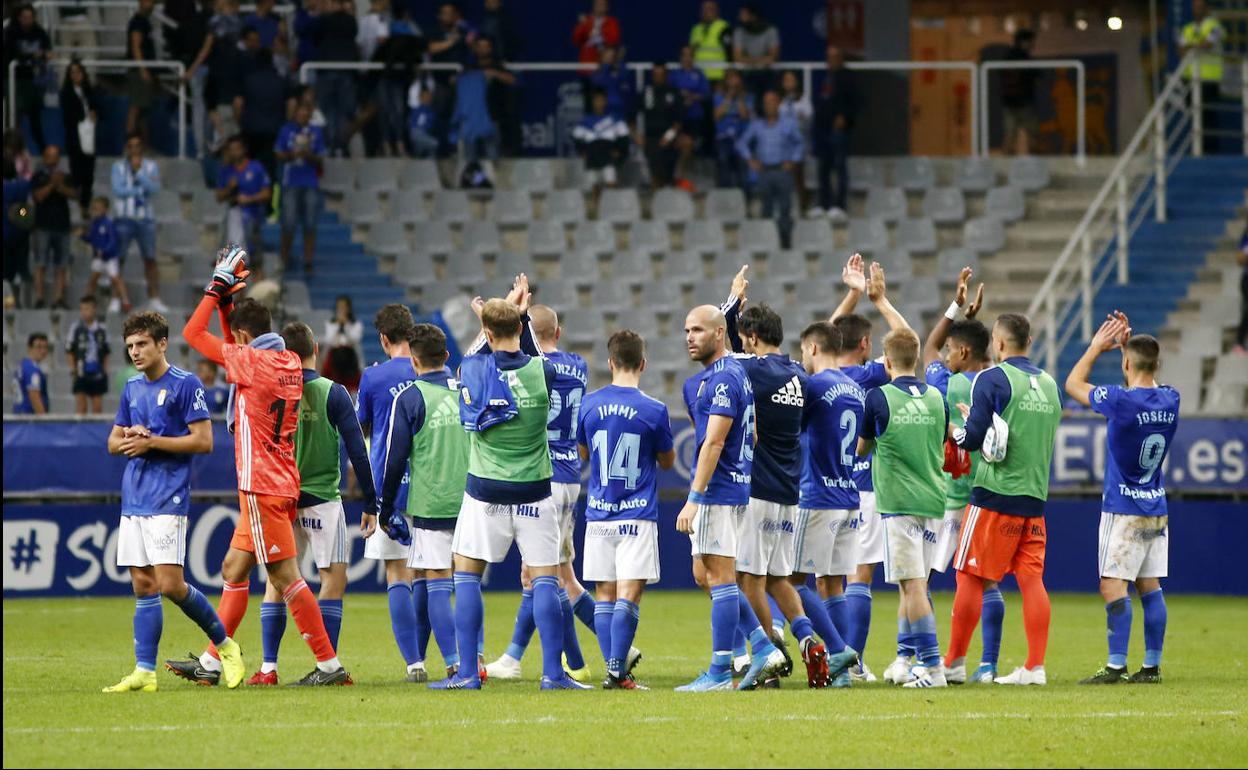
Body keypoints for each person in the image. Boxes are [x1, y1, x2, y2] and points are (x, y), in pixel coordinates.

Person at [173, 247, 348, 686]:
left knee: (285, 576)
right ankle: (214, 663)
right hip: (279, 479)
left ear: (245, 340)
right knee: (234, 569)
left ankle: (329, 667)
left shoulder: (251, 361)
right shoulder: (285, 359)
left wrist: (215, 287)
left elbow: (192, 334)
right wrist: (230, 303)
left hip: (261, 484)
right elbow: (237, 345)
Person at [432, 278, 588, 691]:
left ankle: (467, 673)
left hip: (486, 489)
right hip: (537, 489)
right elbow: (531, 351)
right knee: (545, 580)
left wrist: (493, 319)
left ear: (485, 332)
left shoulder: (473, 369)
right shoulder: (545, 371)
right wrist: (521, 315)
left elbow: (477, 352)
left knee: (466, 574)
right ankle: (553, 674)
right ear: (521, 329)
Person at [719, 266, 856, 689]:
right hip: (790, 491)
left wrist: (730, 302)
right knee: (778, 578)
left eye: (745, 337)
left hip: (757, 488)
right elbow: (822, 343)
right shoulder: (799, 374)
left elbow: (724, 353)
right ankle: (808, 640)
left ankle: (769, 662)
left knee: (747, 579)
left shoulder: (752, 370)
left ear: (753, 338)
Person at [102, 310, 246, 693]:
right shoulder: (132, 388)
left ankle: (226, 647)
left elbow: (204, 441)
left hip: (169, 495)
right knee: (143, 585)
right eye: (130, 346)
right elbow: (113, 443)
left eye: (142, 344)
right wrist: (131, 437)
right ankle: (145, 672)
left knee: (171, 584)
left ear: (161, 344)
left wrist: (153, 442)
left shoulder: (186, 384)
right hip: (134, 497)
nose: (135, 352)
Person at [248, 321, 377, 685]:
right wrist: (371, 500)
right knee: (332, 579)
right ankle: (327, 665)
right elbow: (356, 447)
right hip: (322, 499)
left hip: (281, 499)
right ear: (316, 349)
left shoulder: (270, 391)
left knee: (277, 580)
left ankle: (269, 668)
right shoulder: (333, 392)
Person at [673, 302, 787, 692]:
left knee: (719, 577)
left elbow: (715, 441)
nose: (690, 337)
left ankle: (721, 671)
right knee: (705, 573)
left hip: (718, 491)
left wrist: (694, 496)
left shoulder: (723, 378)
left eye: (699, 330)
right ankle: (761, 645)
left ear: (720, 334)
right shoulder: (731, 374)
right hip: (733, 488)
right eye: (687, 330)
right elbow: (751, 436)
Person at [945, 312, 1061, 687]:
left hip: (995, 497)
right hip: (1035, 498)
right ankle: (1034, 667)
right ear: (1029, 341)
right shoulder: (1049, 385)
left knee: (969, 576)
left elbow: (973, 439)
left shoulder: (991, 379)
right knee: (1032, 580)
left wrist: (955, 430)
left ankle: (952, 662)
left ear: (999, 342)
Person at [1065, 313, 1177, 685]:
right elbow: (1146, 382)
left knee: (1112, 585)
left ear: (1127, 363)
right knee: (1150, 586)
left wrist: (1099, 347)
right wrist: (1129, 353)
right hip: (1156, 507)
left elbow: (1073, 383)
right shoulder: (1171, 399)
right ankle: (1152, 666)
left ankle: (1115, 666)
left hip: (1124, 508)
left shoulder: (1118, 401)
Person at [486, 305, 596, 683]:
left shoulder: (529, 369)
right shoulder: (578, 365)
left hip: (542, 474)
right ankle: (584, 658)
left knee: (539, 575)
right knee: (556, 574)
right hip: (572, 475)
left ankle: (515, 658)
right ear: (559, 332)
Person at [827, 253, 912, 682]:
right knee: (860, 575)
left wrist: (851, 295)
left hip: (822, 489)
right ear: (864, 345)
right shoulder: (872, 376)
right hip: (865, 486)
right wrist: (877, 299)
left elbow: (819, 338)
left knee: (825, 578)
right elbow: (906, 340)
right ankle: (853, 661)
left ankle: (821, 654)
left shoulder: (817, 377)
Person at [575, 329, 675, 689]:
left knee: (605, 593)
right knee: (629, 594)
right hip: (637, 514)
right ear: (643, 364)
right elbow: (668, 461)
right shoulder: (654, 409)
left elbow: (584, 454)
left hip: (599, 513)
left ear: (610, 362)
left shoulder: (587, 404)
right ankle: (617, 672)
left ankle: (614, 670)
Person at [856, 327, 951, 688]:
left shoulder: (878, 398)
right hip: (933, 500)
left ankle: (932, 667)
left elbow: (863, 448)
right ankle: (904, 659)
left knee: (912, 586)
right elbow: (942, 439)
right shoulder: (936, 399)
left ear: (887, 358)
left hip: (900, 502)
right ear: (914, 358)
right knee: (912, 584)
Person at [921, 269, 1003, 684]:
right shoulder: (998, 386)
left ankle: (931, 658)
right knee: (985, 582)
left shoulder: (947, 383)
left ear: (964, 355)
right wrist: (972, 325)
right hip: (986, 494)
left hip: (949, 496)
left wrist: (955, 311)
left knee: (924, 581)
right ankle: (988, 663)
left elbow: (929, 347)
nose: (946, 354)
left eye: (954, 350)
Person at [378, 323, 468, 680]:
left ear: (414, 362)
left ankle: (452, 661)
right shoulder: (466, 390)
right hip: (473, 501)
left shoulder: (410, 398)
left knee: (437, 582)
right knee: (467, 584)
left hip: (431, 503)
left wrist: (386, 508)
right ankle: (472, 656)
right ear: (446, 356)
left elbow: (395, 457)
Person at [356, 303, 427, 681]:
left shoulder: (374, 377)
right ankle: (460, 655)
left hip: (389, 483)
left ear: (383, 339)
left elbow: (361, 428)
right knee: (434, 572)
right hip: (430, 482)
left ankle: (414, 662)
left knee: (397, 573)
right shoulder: (429, 371)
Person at [794, 319, 864, 687]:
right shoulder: (855, 388)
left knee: (789, 580)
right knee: (832, 584)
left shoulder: (813, 386)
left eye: (804, 351)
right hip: (849, 495)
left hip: (817, 495)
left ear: (814, 349)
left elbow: (792, 430)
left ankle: (838, 650)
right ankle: (845, 673)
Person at [736, 90, 803, 250]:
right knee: (766, 208)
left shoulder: (788, 124)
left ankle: (785, 243)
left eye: (772, 101)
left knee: (785, 208)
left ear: (778, 104)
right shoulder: (757, 125)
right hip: (764, 171)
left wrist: (793, 160)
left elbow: (799, 143)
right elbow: (741, 143)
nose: (769, 105)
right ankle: (767, 242)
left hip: (782, 170)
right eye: (766, 102)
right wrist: (750, 159)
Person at [111, 134, 167, 312]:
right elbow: (118, 190)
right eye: (131, 145)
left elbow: (155, 189)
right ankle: (115, 298)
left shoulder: (150, 167)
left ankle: (154, 297)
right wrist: (139, 189)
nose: (134, 149)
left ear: (142, 147)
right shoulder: (118, 167)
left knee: (150, 260)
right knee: (118, 260)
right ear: (127, 148)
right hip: (124, 218)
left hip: (145, 219)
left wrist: (140, 174)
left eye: (137, 145)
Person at [183, 0, 245, 153]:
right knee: (223, 108)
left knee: (211, 106)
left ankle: (216, 141)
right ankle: (225, 141)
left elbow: (206, 48)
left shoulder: (216, 21)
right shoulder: (239, 22)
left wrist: (191, 70)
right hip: (233, 71)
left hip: (219, 71)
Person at [276, 102, 325, 275]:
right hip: (291, 182)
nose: (303, 116)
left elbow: (321, 157)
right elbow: (278, 153)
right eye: (300, 113)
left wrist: (308, 154)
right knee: (288, 223)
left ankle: (308, 261)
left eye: (306, 113)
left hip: (310, 182)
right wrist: (293, 154)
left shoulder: (316, 132)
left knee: (310, 224)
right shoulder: (286, 130)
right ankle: (283, 259)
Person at [811, 46, 858, 222]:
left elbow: (856, 101)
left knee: (840, 167)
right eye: (828, 57)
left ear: (840, 58)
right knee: (823, 167)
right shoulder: (825, 77)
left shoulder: (848, 77)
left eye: (834, 57)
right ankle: (824, 203)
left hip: (839, 130)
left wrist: (845, 117)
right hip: (822, 129)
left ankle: (840, 205)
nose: (831, 60)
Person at [216, 136, 272, 278]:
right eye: (231, 150)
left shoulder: (256, 167)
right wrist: (230, 187)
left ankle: (259, 297)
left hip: (253, 218)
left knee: (256, 262)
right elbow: (219, 197)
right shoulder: (226, 171)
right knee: (237, 265)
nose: (234, 152)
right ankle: (240, 298)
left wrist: (249, 199)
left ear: (244, 150)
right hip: (234, 220)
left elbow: (267, 193)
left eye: (237, 149)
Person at [30, 145, 77, 310]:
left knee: (62, 264)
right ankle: (40, 298)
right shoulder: (38, 176)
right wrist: (52, 184)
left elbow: (74, 194)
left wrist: (60, 186)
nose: (53, 158)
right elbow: (37, 196)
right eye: (50, 155)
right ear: (44, 157)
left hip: (62, 225)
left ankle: (58, 299)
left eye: (56, 155)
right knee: (41, 263)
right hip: (43, 225)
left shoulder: (64, 176)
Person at [311, 0, 359, 156]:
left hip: (328, 69)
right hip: (345, 69)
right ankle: (340, 145)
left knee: (328, 110)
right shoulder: (350, 20)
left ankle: (330, 144)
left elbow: (316, 37)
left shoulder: (325, 20)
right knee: (342, 110)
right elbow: (353, 35)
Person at [1179, 0, 1226, 156]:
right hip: (1190, 80)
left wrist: (1192, 46)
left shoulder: (1215, 26)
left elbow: (1209, 44)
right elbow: (1181, 50)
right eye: (1194, 7)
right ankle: (1196, 150)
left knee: (1208, 118)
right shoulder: (1188, 28)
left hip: (1209, 80)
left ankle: (1209, 152)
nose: (1196, 10)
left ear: (1206, 9)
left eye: (1199, 7)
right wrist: (1198, 45)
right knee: (1193, 117)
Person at [4, 5, 52, 150]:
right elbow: (10, 55)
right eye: (24, 17)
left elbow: (48, 51)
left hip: (32, 79)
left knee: (35, 115)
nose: (28, 20)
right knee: (14, 115)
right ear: (19, 18)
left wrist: (41, 55)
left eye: (30, 17)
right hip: (13, 80)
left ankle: (43, 149)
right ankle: (10, 149)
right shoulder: (10, 32)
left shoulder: (39, 32)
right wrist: (32, 56)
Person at [235, 49, 288, 182]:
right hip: (274, 132)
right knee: (272, 171)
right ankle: (273, 202)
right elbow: (291, 104)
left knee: (250, 168)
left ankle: (252, 196)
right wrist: (285, 123)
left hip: (251, 131)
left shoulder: (248, 80)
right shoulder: (280, 81)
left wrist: (240, 122)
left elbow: (238, 104)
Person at [572, 89, 629, 207]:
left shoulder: (614, 119)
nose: (598, 103)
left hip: (607, 156)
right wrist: (582, 151)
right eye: (596, 100)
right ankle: (596, 209)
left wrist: (619, 150)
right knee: (594, 185)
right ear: (593, 102)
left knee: (611, 182)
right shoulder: (586, 121)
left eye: (601, 100)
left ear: (605, 102)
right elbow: (576, 137)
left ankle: (612, 208)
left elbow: (624, 136)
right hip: (592, 156)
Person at [59, 60, 100, 213]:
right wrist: (83, 116)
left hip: (90, 137)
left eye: (79, 72)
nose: (76, 75)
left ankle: (85, 205)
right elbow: (68, 115)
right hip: (75, 138)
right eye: (73, 72)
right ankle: (75, 199)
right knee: (77, 172)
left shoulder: (89, 92)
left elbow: (98, 107)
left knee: (89, 174)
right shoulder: (66, 94)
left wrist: (95, 114)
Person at [669, 46, 711, 190]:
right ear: (681, 58)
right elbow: (670, 93)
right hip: (678, 119)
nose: (687, 58)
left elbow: (706, 94)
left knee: (691, 146)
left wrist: (693, 96)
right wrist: (681, 97)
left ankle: (684, 178)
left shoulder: (699, 74)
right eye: (684, 55)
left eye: (690, 55)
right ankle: (677, 176)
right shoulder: (674, 75)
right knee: (679, 145)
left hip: (695, 117)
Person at [82, 195, 132, 314]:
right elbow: (92, 238)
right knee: (93, 278)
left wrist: (104, 250)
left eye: (98, 208)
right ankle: (87, 300)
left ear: (105, 209)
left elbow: (112, 241)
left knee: (116, 278)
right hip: (98, 258)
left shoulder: (108, 223)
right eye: (94, 209)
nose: (96, 211)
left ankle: (125, 301)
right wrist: (83, 236)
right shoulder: (94, 224)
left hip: (109, 257)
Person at [637, 62, 682, 189]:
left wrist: (669, 136)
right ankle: (656, 192)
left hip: (669, 138)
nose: (658, 77)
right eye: (656, 74)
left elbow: (679, 120)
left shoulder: (673, 92)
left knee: (667, 163)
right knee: (655, 163)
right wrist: (637, 136)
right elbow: (631, 116)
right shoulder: (646, 92)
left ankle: (669, 184)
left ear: (666, 75)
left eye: (661, 74)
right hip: (650, 138)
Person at [66, 295, 110, 415]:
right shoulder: (76, 328)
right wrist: (73, 369)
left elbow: (106, 351)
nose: (84, 312)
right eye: (82, 309)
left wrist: (105, 370)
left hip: (97, 370)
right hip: (81, 370)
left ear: (94, 309)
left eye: (87, 309)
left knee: (97, 406)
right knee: (81, 405)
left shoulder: (102, 329)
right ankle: (79, 432)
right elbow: (69, 350)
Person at [714, 69, 754, 192]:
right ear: (726, 81)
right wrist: (729, 96)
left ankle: (744, 196)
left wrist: (739, 98)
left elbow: (745, 116)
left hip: (742, 138)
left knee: (743, 160)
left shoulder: (748, 97)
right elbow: (717, 115)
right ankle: (725, 194)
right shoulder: (718, 97)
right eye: (730, 79)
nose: (733, 82)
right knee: (723, 157)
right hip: (723, 137)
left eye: (736, 78)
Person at [1000, 29, 1038, 156]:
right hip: (1022, 103)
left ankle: (1007, 167)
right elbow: (1037, 74)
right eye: (1032, 42)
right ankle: (1033, 164)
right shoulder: (1023, 57)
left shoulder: (1008, 56)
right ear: (1024, 42)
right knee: (1032, 136)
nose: (1033, 44)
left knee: (1010, 136)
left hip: (1011, 103)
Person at [778, 71, 812, 212]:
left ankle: (803, 206)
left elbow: (808, 120)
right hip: (785, 146)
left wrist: (800, 115)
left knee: (799, 175)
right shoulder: (782, 102)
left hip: (799, 144)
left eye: (791, 80)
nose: (788, 83)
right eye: (786, 80)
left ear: (796, 82)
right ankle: (785, 207)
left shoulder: (804, 100)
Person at [126, 0, 159, 142]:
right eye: (149, 1)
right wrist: (143, 69)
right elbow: (135, 45)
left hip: (145, 70)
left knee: (143, 110)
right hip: (138, 71)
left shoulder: (145, 22)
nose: (151, 5)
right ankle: (128, 144)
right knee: (136, 108)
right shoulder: (138, 21)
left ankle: (143, 145)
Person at [732, 4, 779, 102]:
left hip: (767, 75)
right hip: (748, 76)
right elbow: (737, 57)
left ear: (753, 16)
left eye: (743, 15)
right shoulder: (739, 32)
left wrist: (748, 60)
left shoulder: (771, 30)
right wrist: (761, 60)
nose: (740, 18)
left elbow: (773, 57)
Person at [572, 0, 621, 77]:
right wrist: (585, 25)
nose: (600, 7)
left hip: (605, 67)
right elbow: (576, 40)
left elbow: (614, 40)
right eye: (598, 4)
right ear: (593, 5)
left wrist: (599, 37)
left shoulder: (612, 22)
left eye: (602, 4)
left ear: (607, 7)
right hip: (587, 66)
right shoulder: (586, 21)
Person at [689, 0, 731, 84]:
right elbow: (691, 52)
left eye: (709, 9)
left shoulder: (723, 26)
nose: (705, 12)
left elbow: (730, 52)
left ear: (716, 11)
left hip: (718, 75)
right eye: (704, 9)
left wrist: (727, 74)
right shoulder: (696, 29)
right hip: (699, 75)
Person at [588, 45, 633, 121]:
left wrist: (620, 60)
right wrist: (606, 66)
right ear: (602, 56)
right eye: (607, 55)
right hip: (603, 109)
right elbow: (597, 81)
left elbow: (625, 77)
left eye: (611, 56)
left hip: (619, 108)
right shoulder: (598, 72)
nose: (609, 57)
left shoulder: (619, 70)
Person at [14, 333, 50, 415]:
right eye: (38, 347)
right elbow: (34, 396)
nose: (43, 351)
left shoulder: (23, 365)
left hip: (18, 416)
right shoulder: (32, 369)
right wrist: (43, 420)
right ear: (29, 348)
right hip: (30, 420)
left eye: (45, 347)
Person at [408, 87, 439, 158]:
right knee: (434, 143)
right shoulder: (416, 110)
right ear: (420, 98)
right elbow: (411, 124)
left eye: (429, 97)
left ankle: (428, 161)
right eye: (425, 96)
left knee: (431, 147)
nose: (427, 99)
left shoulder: (431, 111)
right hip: (416, 132)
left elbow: (432, 125)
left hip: (425, 134)